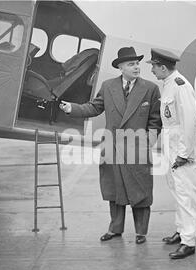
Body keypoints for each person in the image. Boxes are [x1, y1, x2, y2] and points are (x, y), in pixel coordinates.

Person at [59, 47, 161, 244]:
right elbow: (94, 107)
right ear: (121, 67)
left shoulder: (150, 89)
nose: (136, 67)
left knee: (140, 190)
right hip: (112, 147)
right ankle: (115, 229)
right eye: (131, 64)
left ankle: (141, 232)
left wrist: (149, 142)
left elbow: (156, 120)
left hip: (137, 148)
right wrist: (72, 108)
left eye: (137, 63)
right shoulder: (108, 86)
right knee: (114, 190)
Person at [147, 48, 196, 259]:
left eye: (153, 66)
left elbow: (192, 122)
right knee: (177, 190)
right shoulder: (169, 84)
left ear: (162, 67)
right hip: (173, 147)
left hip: (183, 149)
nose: (152, 70)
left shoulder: (181, 86)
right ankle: (181, 231)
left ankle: (189, 241)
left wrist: (183, 153)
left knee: (186, 193)